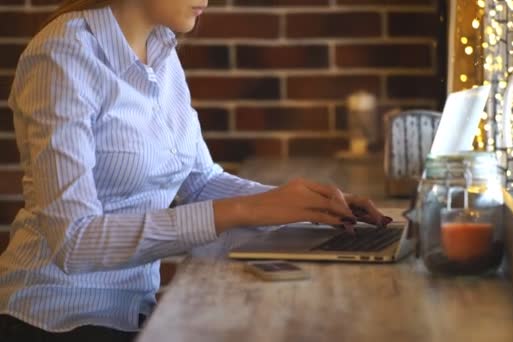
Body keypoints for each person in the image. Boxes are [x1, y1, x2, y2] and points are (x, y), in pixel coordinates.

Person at [0, 0, 393, 341]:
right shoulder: (61, 55)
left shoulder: (161, 51)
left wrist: (307, 207)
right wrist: (246, 211)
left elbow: (199, 180)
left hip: (133, 312)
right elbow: (73, 240)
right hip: (54, 322)